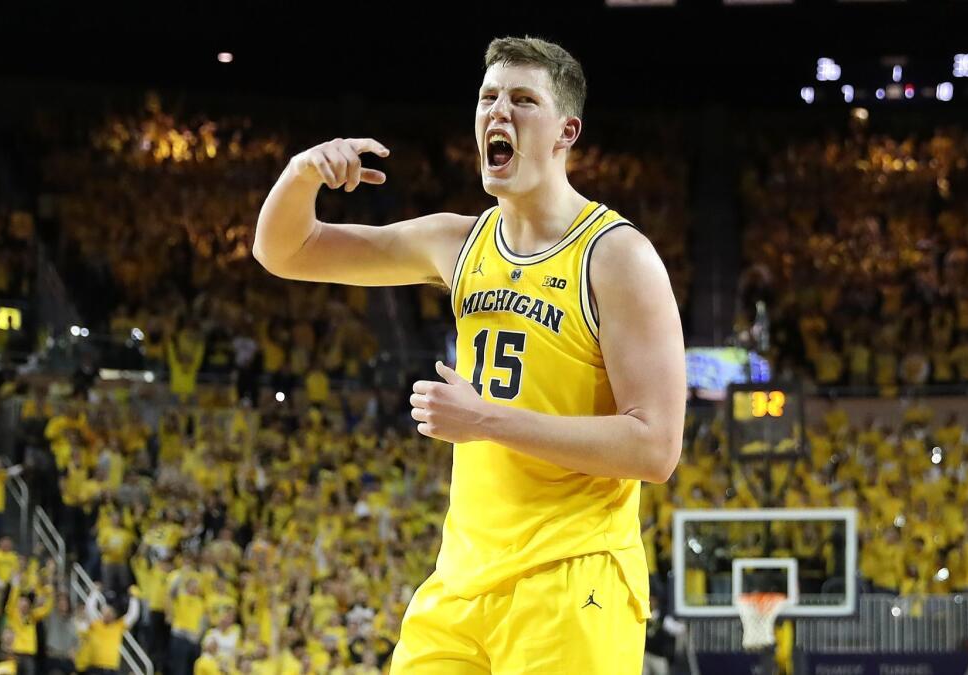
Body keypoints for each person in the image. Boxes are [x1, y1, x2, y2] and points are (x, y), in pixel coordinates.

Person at [254, 35, 685, 673]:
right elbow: (286, 251)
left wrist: (483, 420)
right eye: (487, 98)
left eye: (521, 100)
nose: (497, 113)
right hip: (460, 583)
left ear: (567, 130)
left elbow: (655, 449)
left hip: (571, 578)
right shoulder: (456, 243)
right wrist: (302, 174)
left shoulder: (616, 257)